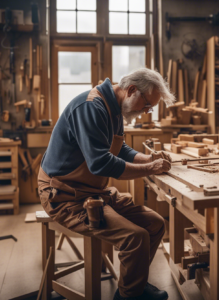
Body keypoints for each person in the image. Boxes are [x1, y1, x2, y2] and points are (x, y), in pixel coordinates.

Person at [38, 68, 175, 300]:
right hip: (64, 196)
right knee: (135, 237)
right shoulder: (91, 107)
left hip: (92, 192)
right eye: (146, 105)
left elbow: (118, 148)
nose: (146, 112)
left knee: (155, 223)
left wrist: (148, 158)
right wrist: (148, 169)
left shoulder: (114, 108)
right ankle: (128, 296)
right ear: (132, 90)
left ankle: (134, 285)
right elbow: (100, 164)